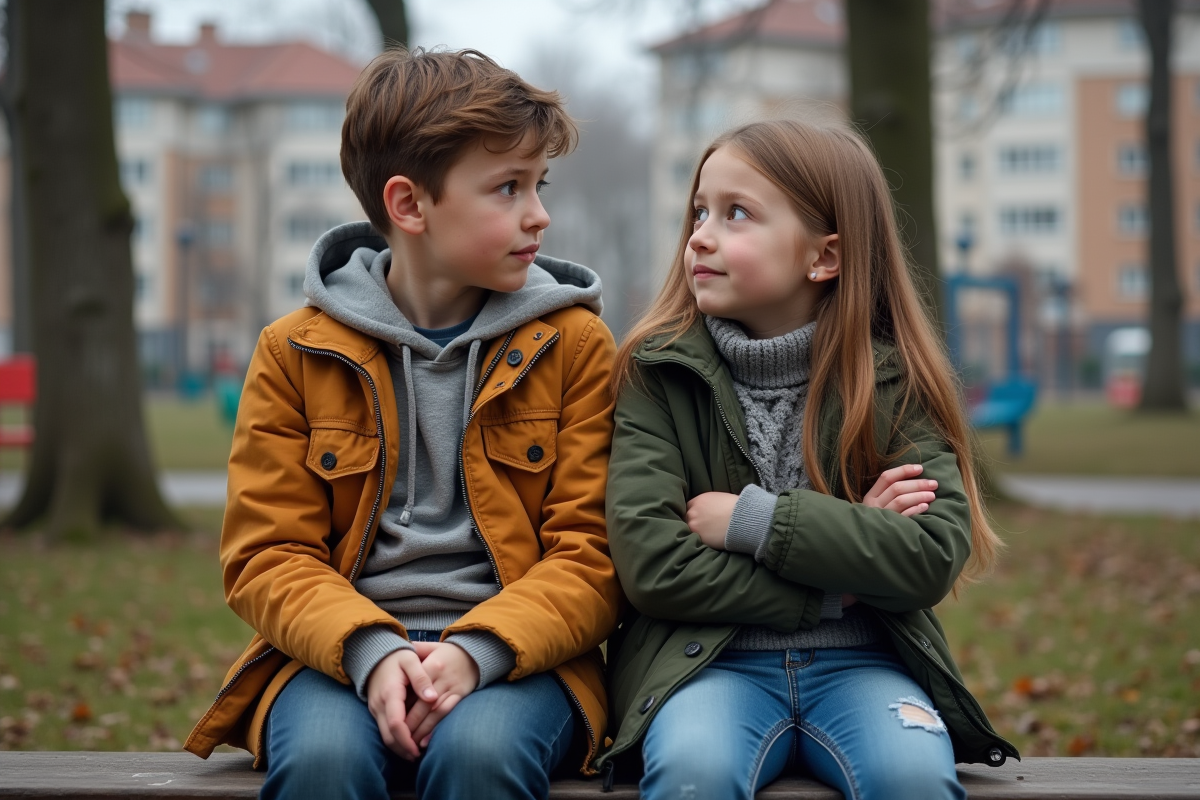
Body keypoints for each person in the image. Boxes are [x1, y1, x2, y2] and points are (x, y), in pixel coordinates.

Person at [183, 48, 622, 800]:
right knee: (324, 763)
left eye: (537, 184)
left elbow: (593, 553)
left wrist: (476, 651)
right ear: (410, 205)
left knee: (480, 756)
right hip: (336, 658)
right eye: (508, 188)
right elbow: (267, 554)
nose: (539, 213)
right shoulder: (293, 352)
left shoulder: (576, 348)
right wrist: (374, 651)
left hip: (518, 659)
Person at [597, 118, 1017, 800]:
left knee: (911, 776)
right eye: (699, 211)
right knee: (691, 773)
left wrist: (755, 522)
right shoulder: (657, 376)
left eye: (737, 214)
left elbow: (930, 554)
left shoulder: (892, 382)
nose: (700, 234)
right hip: (708, 668)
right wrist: (838, 576)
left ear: (824, 257)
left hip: (867, 666)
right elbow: (654, 564)